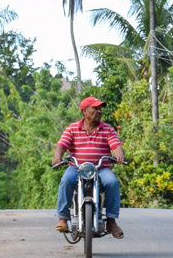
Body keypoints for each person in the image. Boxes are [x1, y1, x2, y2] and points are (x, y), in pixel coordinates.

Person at [52, 96, 126, 238]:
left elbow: (116, 145)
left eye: (100, 109)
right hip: (77, 168)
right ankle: (63, 217)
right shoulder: (73, 128)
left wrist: (119, 155)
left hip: (101, 168)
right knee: (66, 180)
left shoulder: (107, 129)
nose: (99, 111)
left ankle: (111, 220)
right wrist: (57, 157)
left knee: (112, 182)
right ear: (85, 111)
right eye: (95, 108)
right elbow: (61, 145)